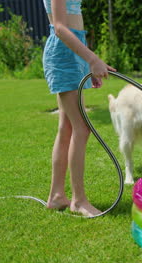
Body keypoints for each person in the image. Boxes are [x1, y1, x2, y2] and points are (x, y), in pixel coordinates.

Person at [42, 0, 116, 216]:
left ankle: (57, 196)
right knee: (81, 128)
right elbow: (60, 27)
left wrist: (86, 62)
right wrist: (92, 59)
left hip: (73, 50)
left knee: (67, 127)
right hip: (63, 53)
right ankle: (79, 201)